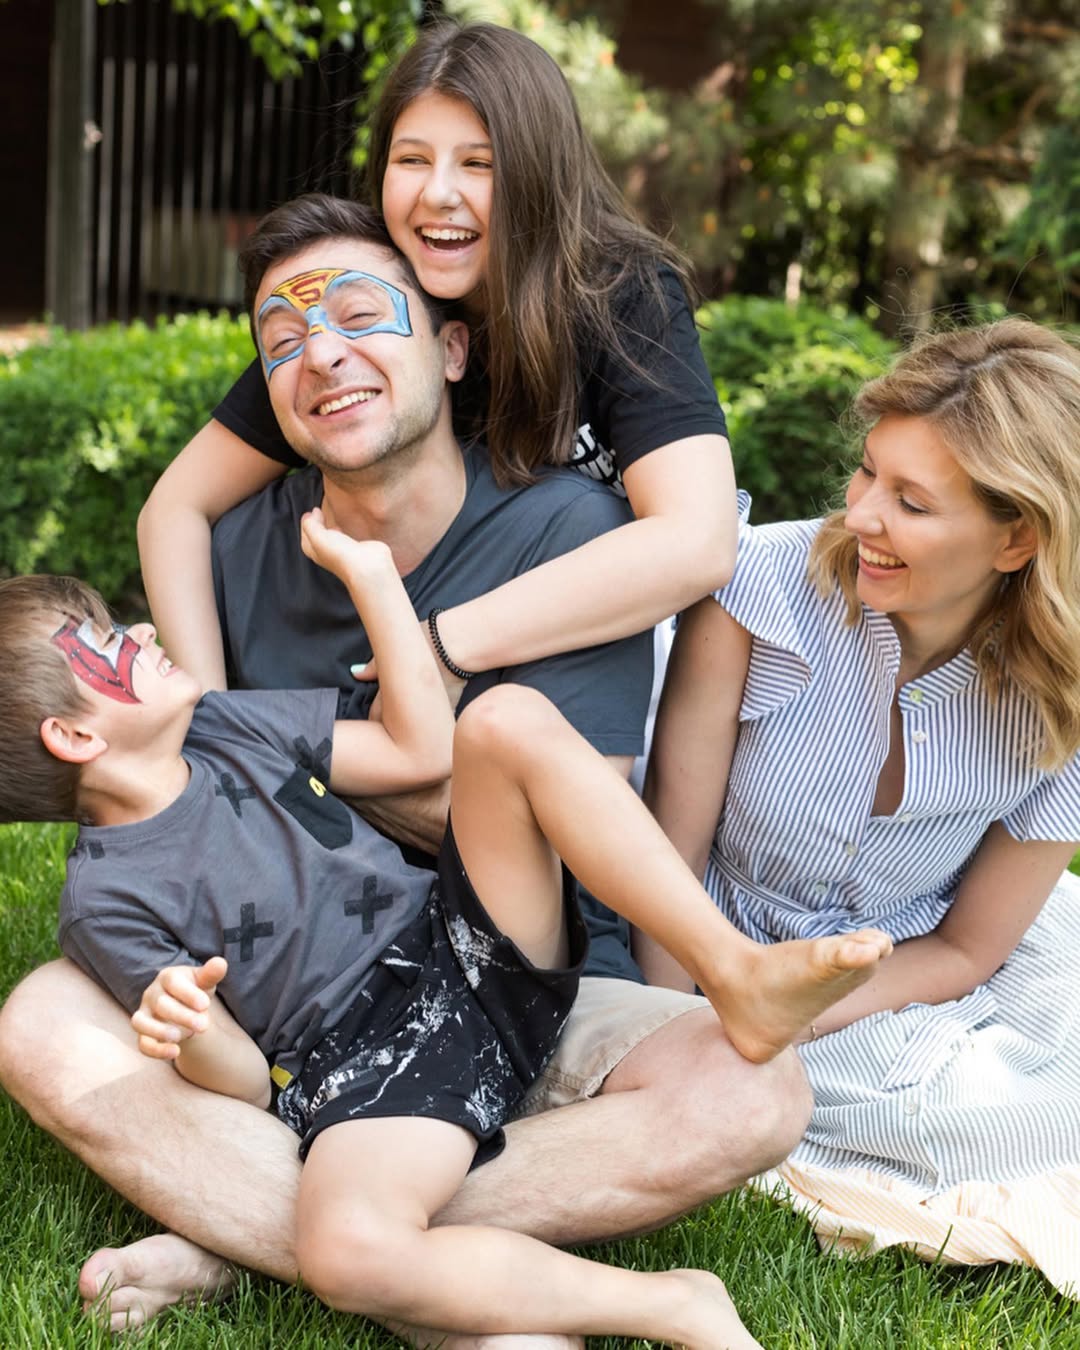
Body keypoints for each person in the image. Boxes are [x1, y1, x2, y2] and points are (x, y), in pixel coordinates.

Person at [0, 194, 868, 1337]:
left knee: (750, 1085)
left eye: (365, 315)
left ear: (452, 347)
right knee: (40, 1026)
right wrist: (190, 1019)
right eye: (283, 342)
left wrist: (383, 607)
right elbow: (229, 1056)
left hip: (495, 937)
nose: (324, 355)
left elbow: (498, 776)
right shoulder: (220, 610)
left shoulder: (570, 529)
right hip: (345, 1057)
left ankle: (267, 1235)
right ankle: (376, 1252)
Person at [0, 521, 837, 1346]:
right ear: (72, 737)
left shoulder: (230, 726)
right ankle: (669, 1305)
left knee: (504, 721)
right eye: (104, 640)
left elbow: (421, 746)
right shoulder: (102, 902)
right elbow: (251, 1085)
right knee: (351, 1249)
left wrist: (373, 579)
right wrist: (186, 1032)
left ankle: (733, 968)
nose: (140, 630)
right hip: (367, 1062)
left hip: (461, 943)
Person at [643, 318, 1080, 1291]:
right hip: (710, 930)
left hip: (905, 964)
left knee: (1030, 1089)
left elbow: (971, 948)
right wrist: (680, 1028)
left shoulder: (1064, 697)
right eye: (868, 474)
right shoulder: (758, 586)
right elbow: (668, 853)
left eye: (911, 502)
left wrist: (791, 1019)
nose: (863, 516)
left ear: (1018, 538)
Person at [136, 18, 737, 700]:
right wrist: (211, 721)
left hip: (616, 636)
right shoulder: (373, 315)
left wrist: (439, 645)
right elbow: (175, 508)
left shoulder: (617, 294)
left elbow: (699, 541)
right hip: (442, 675)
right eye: (412, 160)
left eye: (478, 163)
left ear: (536, 170)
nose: (437, 193)